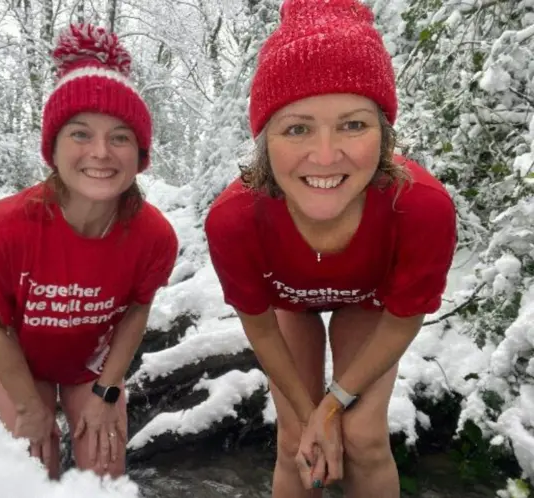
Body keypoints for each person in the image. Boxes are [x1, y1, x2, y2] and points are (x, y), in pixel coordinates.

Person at [204, 0, 457, 496]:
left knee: (363, 436)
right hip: (288, 308)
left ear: (384, 136)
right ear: (265, 141)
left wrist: (334, 403)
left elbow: (404, 315)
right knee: (296, 440)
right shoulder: (234, 220)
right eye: (297, 128)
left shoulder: (422, 207)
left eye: (353, 125)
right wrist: (310, 416)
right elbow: (260, 325)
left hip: (369, 302)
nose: (325, 155)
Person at [0, 23, 178, 480]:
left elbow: (137, 310)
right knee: (30, 472)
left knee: (104, 476)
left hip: (91, 366)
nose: (101, 152)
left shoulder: (152, 235)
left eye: (120, 137)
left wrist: (106, 394)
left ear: (139, 154)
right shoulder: (7, 227)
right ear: (54, 148)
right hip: (20, 361)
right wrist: (29, 406)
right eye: (81, 134)